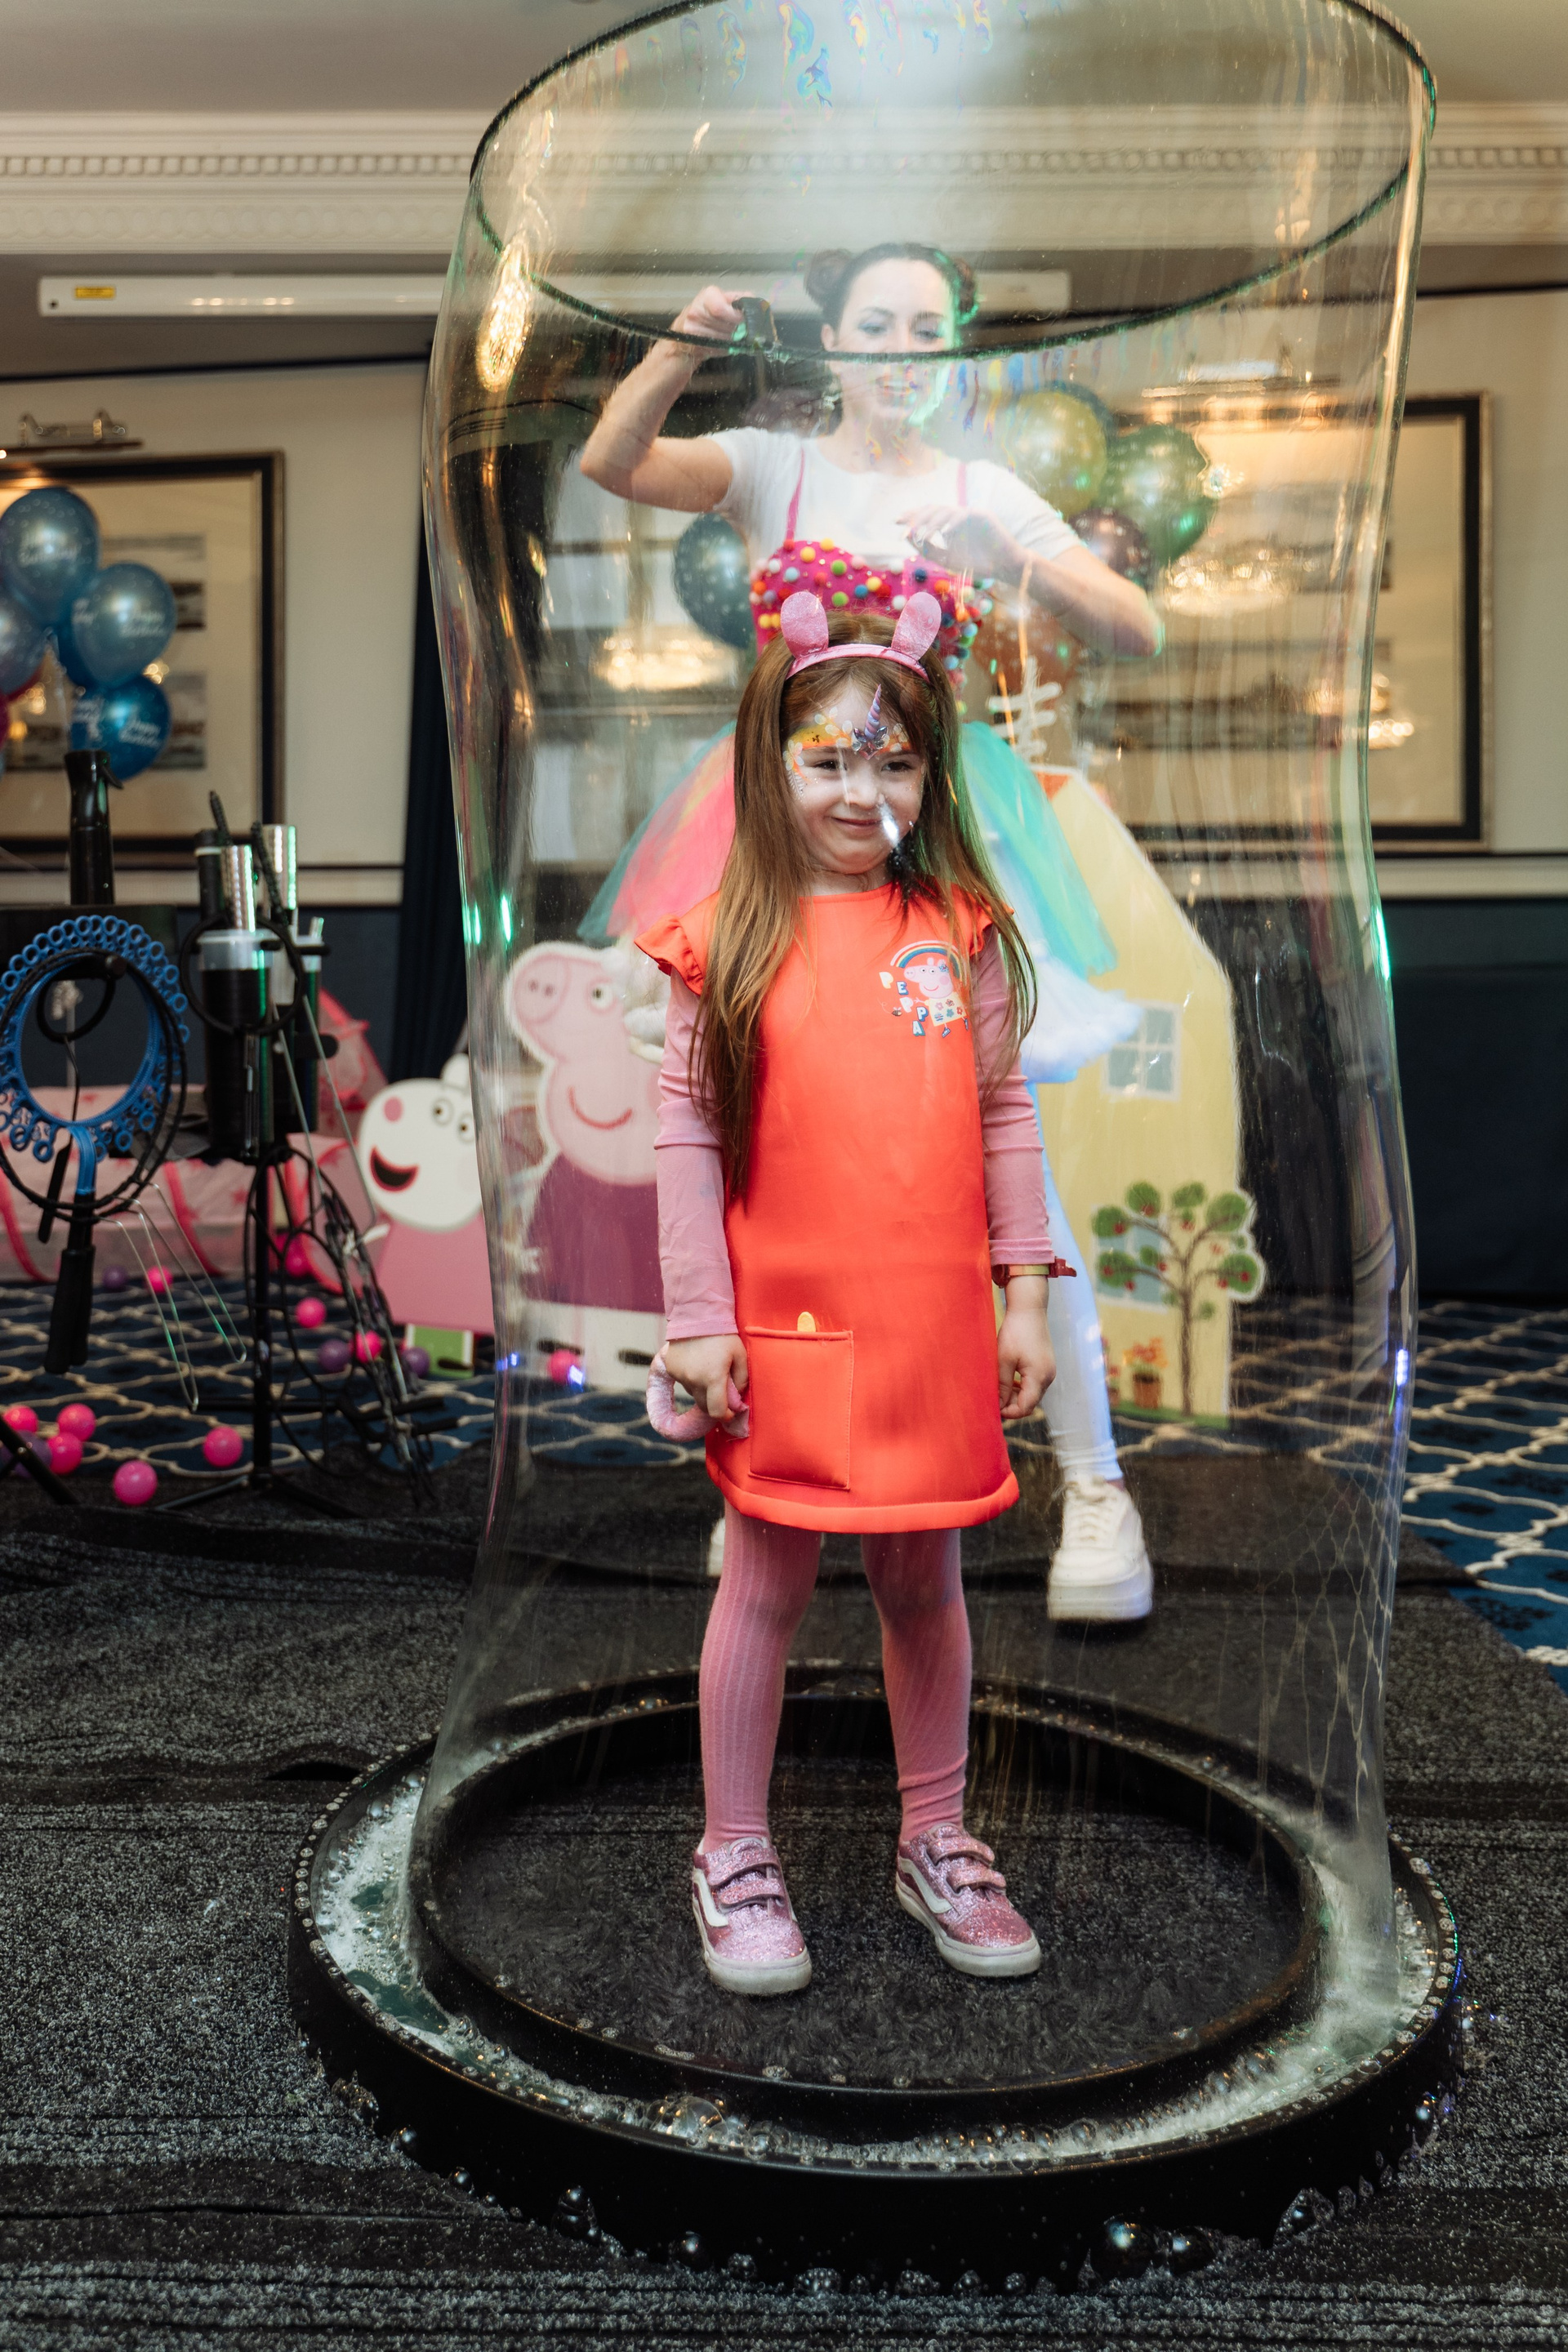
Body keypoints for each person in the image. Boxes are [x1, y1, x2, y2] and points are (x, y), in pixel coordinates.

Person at [583, 243, 1156, 1624]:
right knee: (766, 1143)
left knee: (996, 1141)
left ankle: (1095, 1484)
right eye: (877, 324)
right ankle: (757, 1452)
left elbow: (1135, 627)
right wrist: (679, 347)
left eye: (927, 327)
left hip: (934, 823)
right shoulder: (775, 468)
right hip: (782, 822)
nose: (903, 349)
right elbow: (615, 462)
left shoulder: (983, 489)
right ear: (834, 341)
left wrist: (1014, 565)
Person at [639, 590, 1060, 1995]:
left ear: (931, 775)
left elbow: (1003, 1112)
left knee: (924, 1581)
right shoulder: (722, 939)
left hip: (931, 1327)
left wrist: (1023, 1290)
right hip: (785, 1327)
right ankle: (733, 1851)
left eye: (893, 761)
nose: (859, 790)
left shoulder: (958, 927)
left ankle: (936, 1834)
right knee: (763, 1581)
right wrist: (697, 1318)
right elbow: (686, 1133)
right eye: (826, 759)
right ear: (770, 763)